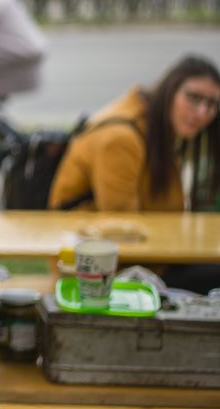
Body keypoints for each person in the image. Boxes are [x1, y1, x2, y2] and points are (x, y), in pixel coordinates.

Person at [49, 56, 220, 294]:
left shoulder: (153, 124)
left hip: (143, 258)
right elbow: (124, 231)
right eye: (193, 98)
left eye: (212, 104)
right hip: (98, 271)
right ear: (170, 90)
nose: (202, 112)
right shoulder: (122, 138)